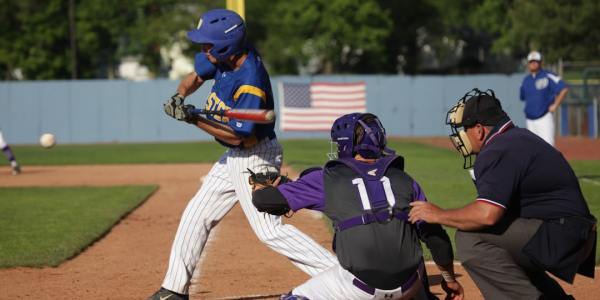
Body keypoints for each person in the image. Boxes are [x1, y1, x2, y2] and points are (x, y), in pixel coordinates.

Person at [150, 9, 337, 300]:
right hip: (235, 156)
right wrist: (180, 96)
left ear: (226, 45)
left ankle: (338, 276)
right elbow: (195, 76)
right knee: (196, 215)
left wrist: (193, 119)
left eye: (207, 44)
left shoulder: (250, 79)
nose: (203, 49)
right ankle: (174, 290)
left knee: (268, 230)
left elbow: (241, 136)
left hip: (254, 155)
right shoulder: (222, 58)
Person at [252, 113, 464, 300]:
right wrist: (449, 280)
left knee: (297, 297)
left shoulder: (326, 178)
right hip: (409, 286)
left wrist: (259, 187)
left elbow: (264, 201)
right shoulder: (406, 180)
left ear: (347, 145)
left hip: (359, 289)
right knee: (414, 242)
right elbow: (437, 240)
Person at [409, 88, 597, 299]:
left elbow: (487, 215)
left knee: (470, 238)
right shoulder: (516, 138)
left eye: (464, 128)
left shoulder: (498, 149)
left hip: (564, 236)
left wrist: (438, 214)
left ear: (479, 130)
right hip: (570, 232)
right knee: (499, 248)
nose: (461, 135)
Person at [519, 50, 569, 146]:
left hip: (544, 117)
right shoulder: (525, 80)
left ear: (540, 62)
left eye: (536, 61)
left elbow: (564, 88)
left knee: (548, 147)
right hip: (530, 119)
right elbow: (523, 97)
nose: (533, 63)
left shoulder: (548, 75)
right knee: (532, 149)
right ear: (528, 64)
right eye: (531, 61)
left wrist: (555, 105)